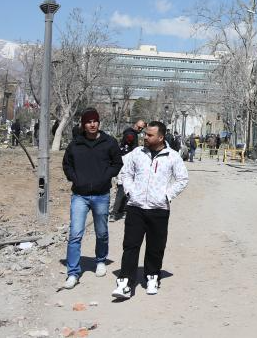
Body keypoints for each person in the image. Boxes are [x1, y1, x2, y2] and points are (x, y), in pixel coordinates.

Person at [112, 121, 188, 299]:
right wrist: (130, 192)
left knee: (156, 246)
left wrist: (166, 196)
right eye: (145, 134)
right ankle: (125, 283)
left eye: (150, 135)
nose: (145, 137)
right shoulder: (137, 153)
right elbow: (126, 172)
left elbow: (182, 179)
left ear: (160, 137)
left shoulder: (172, 156)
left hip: (159, 209)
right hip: (136, 207)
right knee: (130, 245)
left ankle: (152, 277)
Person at [61, 108, 122, 290]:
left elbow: (117, 163)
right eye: (88, 122)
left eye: (95, 121)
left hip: (101, 194)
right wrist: (75, 178)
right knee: (75, 234)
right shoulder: (75, 144)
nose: (92, 124)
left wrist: (106, 176)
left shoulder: (109, 142)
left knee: (101, 232)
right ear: (83, 124)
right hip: (79, 195)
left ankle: (101, 260)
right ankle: (73, 273)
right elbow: (66, 164)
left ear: (98, 122)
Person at [110, 119, 147, 222]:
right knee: (122, 187)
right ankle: (114, 213)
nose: (140, 129)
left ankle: (123, 209)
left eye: (141, 128)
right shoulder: (130, 134)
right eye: (139, 127)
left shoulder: (134, 134)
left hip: (130, 161)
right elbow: (128, 146)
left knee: (130, 186)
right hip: (126, 161)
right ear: (135, 125)